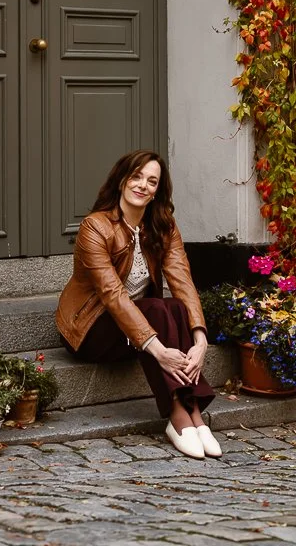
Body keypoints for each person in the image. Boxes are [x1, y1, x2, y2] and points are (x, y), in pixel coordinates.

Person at [56, 149, 222, 460]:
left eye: (152, 181)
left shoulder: (162, 225)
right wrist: (160, 352)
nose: (142, 185)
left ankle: (194, 412)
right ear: (121, 180)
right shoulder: (95, 227)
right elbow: (112, 295)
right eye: (136, 176)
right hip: (90, 329)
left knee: (173, 308)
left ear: (158, 191)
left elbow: (182, 280)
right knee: (158, 309)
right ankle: (179, 414)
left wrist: (200, 340)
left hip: (139, 331)